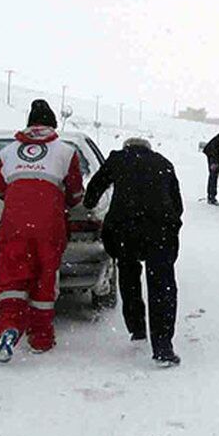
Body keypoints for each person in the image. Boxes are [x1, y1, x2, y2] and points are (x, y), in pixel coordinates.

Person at [0, 99, 84, 363]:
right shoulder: (66, 151)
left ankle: (9, 327)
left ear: (29, 124)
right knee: (44, 277)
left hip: (14, 223)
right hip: (49, 225)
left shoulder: (7, 151)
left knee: (11, 277)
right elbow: (75, 193)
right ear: (53, 125)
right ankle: (41, 338)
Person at [84, 136, 184, 367]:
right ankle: (163, 348)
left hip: (125, 229)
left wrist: (89, 204)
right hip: (160, 230)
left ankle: (137, 329)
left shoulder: (118, 159)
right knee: (162, 284)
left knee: (128, 274)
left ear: (126, 147)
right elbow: (177, 205)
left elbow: (96, 187)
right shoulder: (164, 163)